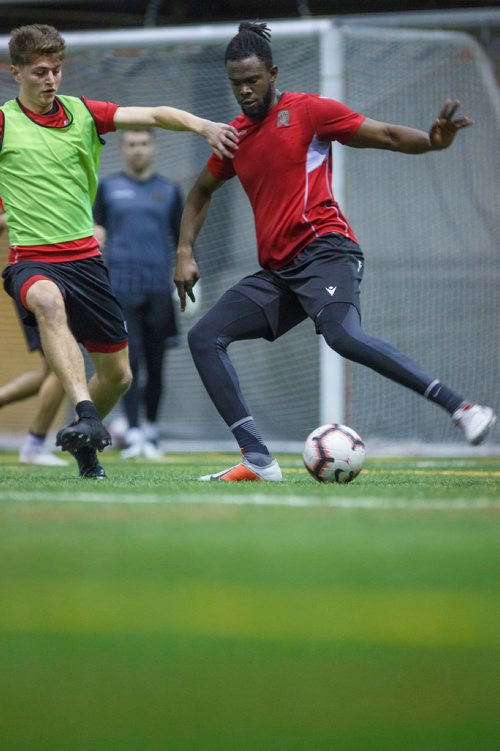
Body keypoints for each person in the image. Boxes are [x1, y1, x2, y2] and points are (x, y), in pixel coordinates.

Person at [174, 21, 497, 482]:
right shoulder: (235, 137)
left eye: (252, 80)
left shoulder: (309, 112)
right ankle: (258, 460)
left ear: (273, 73)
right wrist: (185, 250)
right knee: (204, 337)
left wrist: (432, 142)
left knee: (342, 336)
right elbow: (200, 192)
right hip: (280, 272)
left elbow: (383, 134)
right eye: (236, 84)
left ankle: (462, 408)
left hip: (326, 251)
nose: (244, 91)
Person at [0, 23, 238, 479]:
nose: (50, 80)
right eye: (40, 72)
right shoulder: (3, 122)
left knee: (120, 377)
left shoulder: (84, 114)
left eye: (57, 71)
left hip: (87, 262)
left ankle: (85, 441)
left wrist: (202, 125)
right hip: (31, 259)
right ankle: (87, 415)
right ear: (16, 73)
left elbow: (154, 114)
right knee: (47, 302)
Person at [93, 130, 182, 459]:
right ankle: (131, 434)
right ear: (123, 149)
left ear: (153, 147)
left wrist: (188, 278)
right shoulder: (108, 189)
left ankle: (151, 431)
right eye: (131, 144)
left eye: (144, 144)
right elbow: (96, 230)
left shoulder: (169, 190)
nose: (138, 150)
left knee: (157, 364)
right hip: (120, 289)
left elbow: (182, 239)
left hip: (159, 288)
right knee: (128, 364)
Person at [0, 206, 67, 465]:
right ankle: (34, 446)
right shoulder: (13, 179)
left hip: (64, 276)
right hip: (34, 278)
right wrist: (15, 216)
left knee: (49, 372)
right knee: (63, 368)